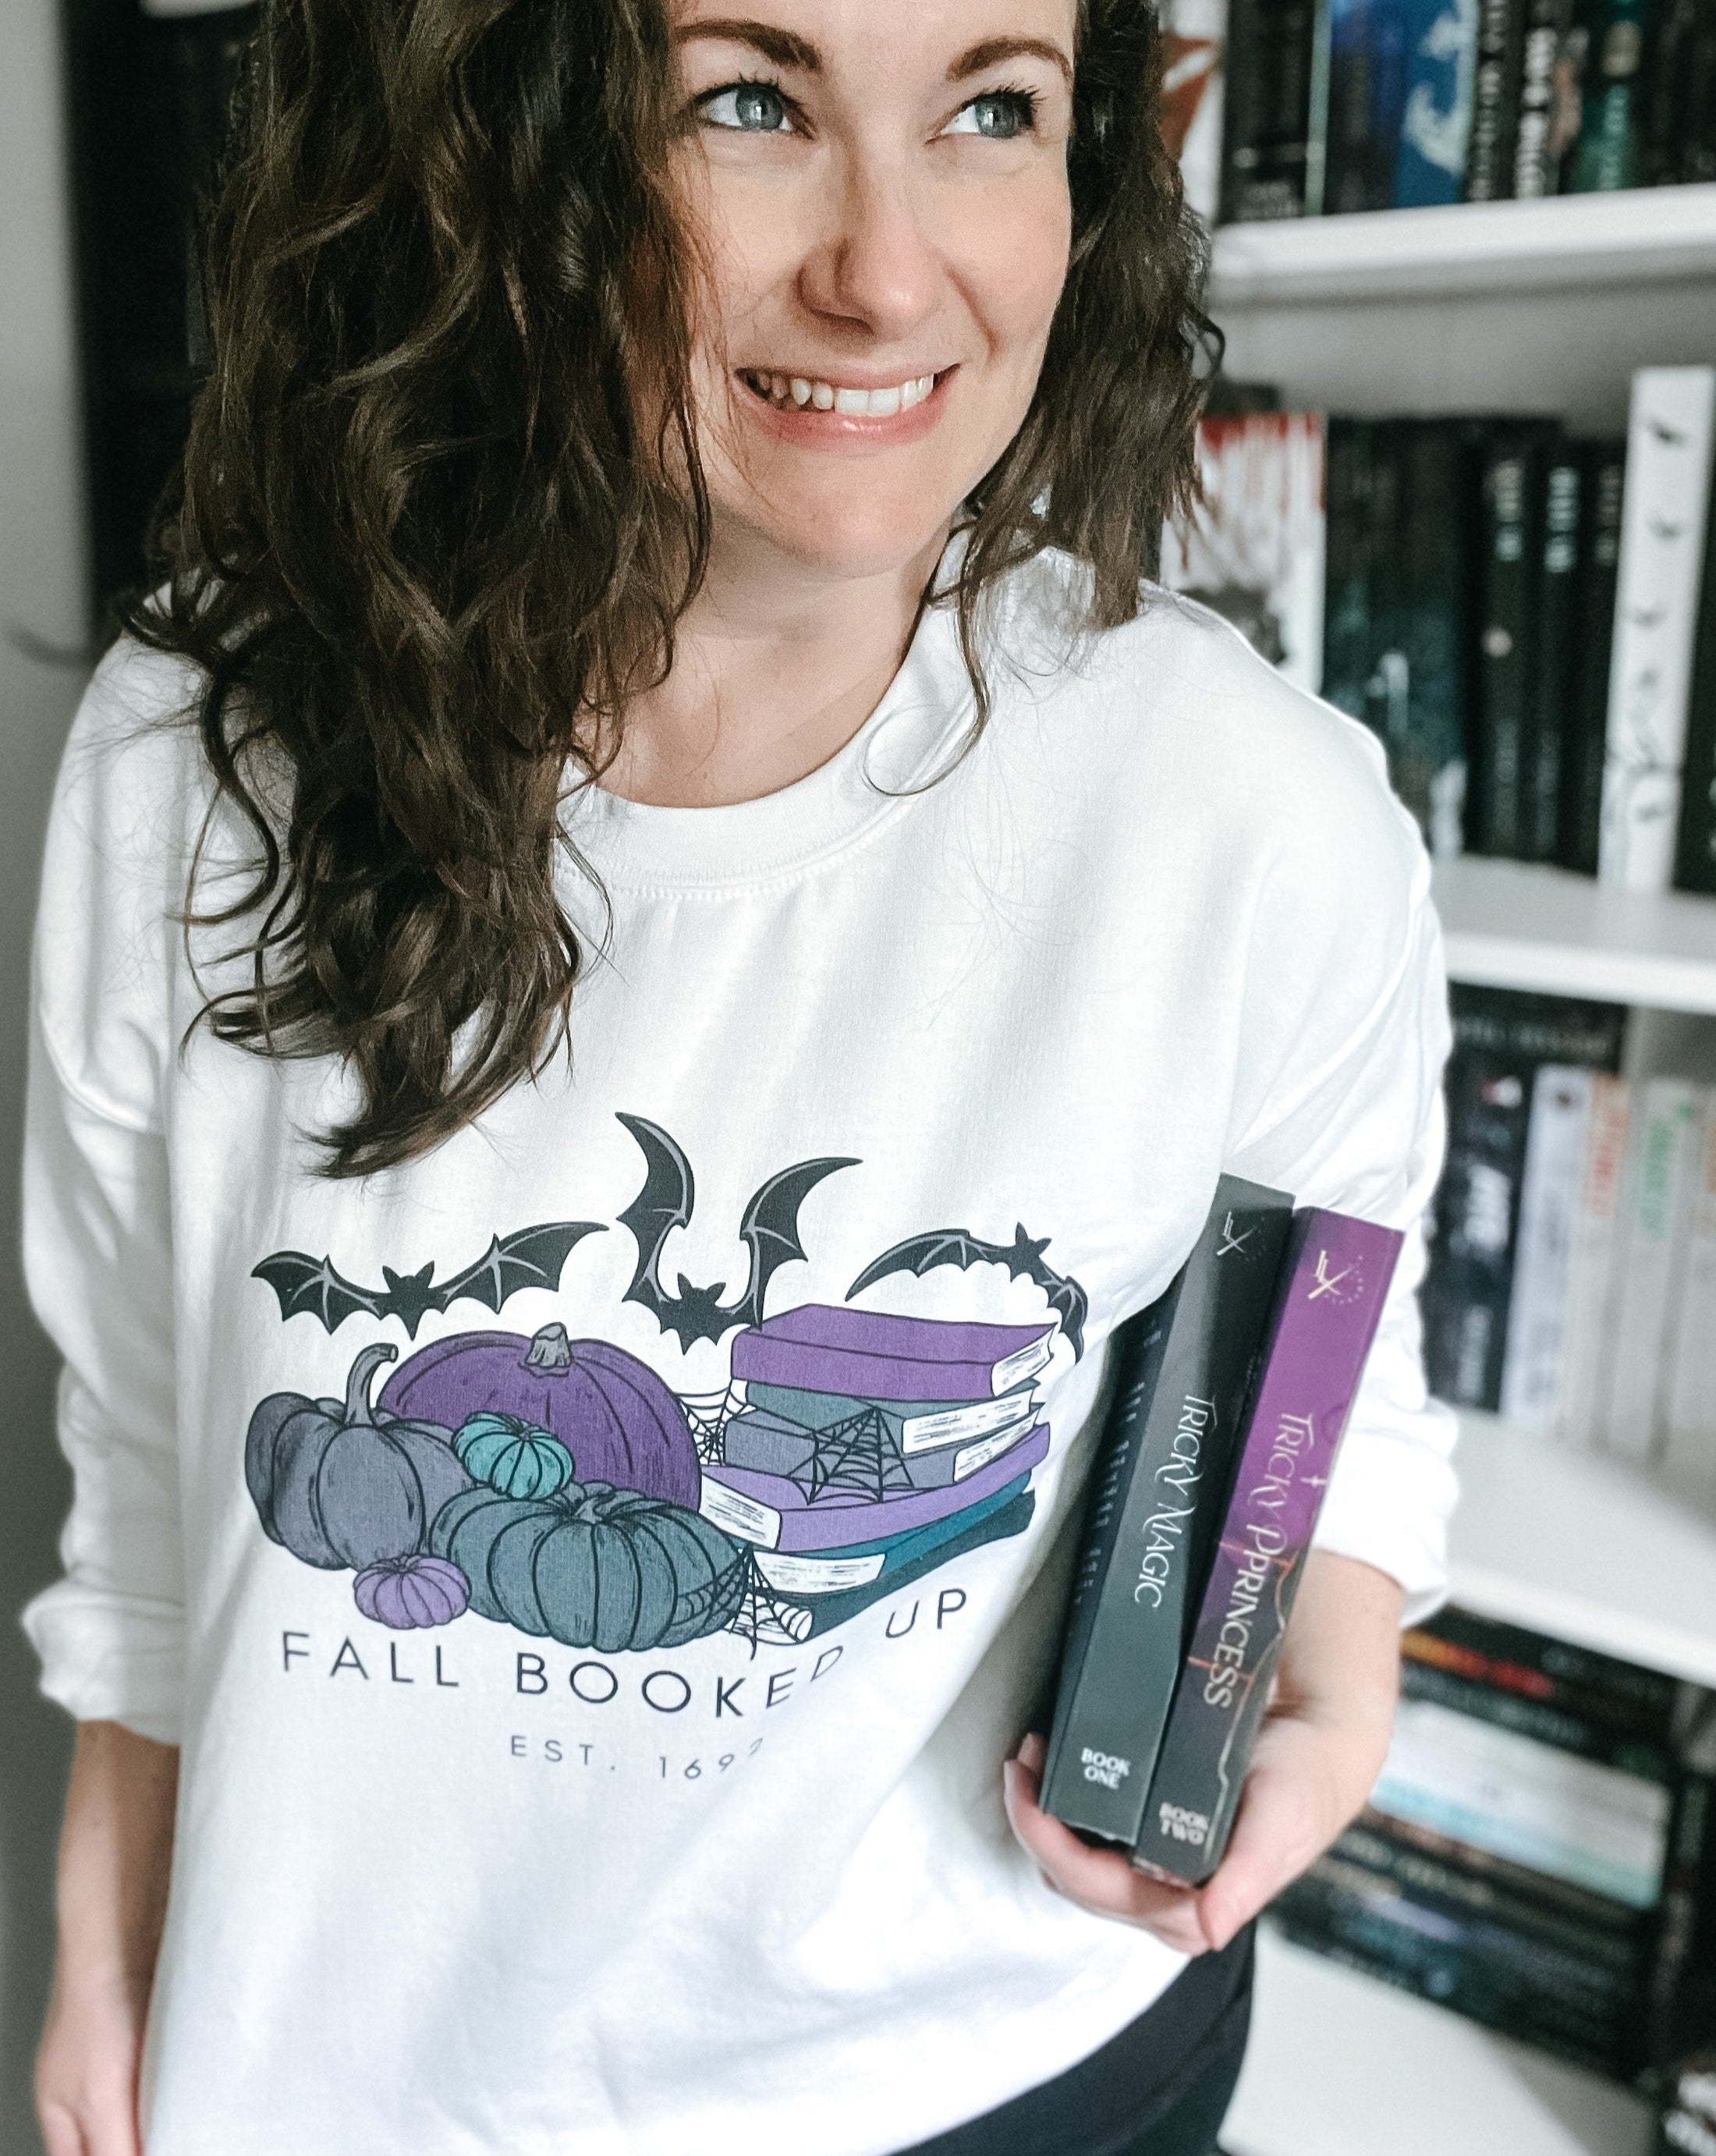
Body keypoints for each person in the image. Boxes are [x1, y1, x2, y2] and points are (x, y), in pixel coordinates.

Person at [22, 0, 1457, 2151]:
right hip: (347, 2077)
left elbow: (1326, 1411)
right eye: (748, 102)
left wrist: (1330, 1689)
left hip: (1008, 2075)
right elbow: (147, 1449)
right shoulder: (196, 752)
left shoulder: (1257, 821)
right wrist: (103, 1945)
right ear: (493, 147)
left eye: (994, 107)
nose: (888, 272)